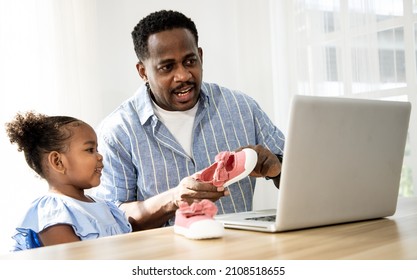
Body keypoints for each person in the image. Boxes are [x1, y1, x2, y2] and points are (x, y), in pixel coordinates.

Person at [93, 10, 285, 231]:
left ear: (200, 57)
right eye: (167, 67)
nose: (183, 75)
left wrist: (278, 167)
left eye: (190, 61)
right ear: (143, 72)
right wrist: (173, 199)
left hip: (242, 252)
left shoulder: (242, 108)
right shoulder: (118, 130)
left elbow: (302, 174)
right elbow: (112, 216)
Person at [5, 111, 132, 251]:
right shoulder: (52, 210)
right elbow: (75, 264)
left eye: (97, 149)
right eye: (90, 150)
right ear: (57, 161)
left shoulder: (106, 207)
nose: (100, 156)